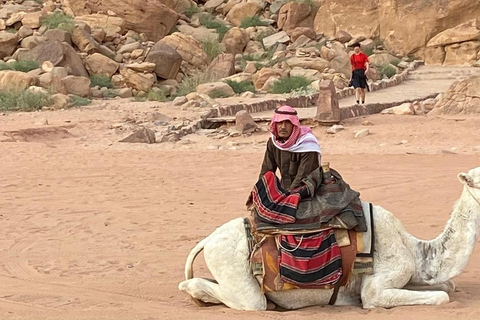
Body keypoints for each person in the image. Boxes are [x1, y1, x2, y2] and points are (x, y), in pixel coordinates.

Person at [259, 105, 321, 191]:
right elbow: (266, 172)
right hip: (285, 189)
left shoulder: (308, 144)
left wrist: (287, 196)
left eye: (288, 122)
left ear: (294, 125)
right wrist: (261, 189)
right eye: (280, 122)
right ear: (275, 124)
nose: (283, 126)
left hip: (307, 189)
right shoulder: (273, 143)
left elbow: (303, 177)